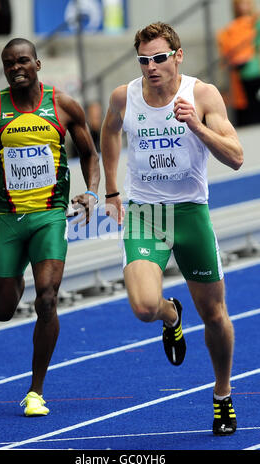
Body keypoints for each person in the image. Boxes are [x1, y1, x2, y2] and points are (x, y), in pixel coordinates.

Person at [101, 22, 243, 435]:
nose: (151, 67)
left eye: (159, 58)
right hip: (146, 213)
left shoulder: (201, 95)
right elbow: (109, 131)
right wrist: (111, 190)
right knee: (144, 307)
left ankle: (222, 395)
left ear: (178, 56)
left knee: (215, 316)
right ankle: (170, 315)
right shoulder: (123, 97)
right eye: (144, 60)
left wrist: (197, 126)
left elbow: (236, 156)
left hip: (190, 213)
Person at [0, 38, 100, 416]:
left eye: (22, 62)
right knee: (1, 310)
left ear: (37, 64)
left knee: (47, 298)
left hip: (51, 217)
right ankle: (14, 273)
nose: (15, 69)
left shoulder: (62, 105)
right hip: (10, 220)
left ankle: (36, 391)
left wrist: (91, 193)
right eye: (8, 64)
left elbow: (90, 154)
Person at [217, 0, 260, 126]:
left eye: (246, 3)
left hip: (252, 69)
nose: (244, 6)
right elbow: (226, 49)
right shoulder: (231, 28)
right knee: (249, 106)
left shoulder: (254, 22)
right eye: (241, 4)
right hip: (244, 72)